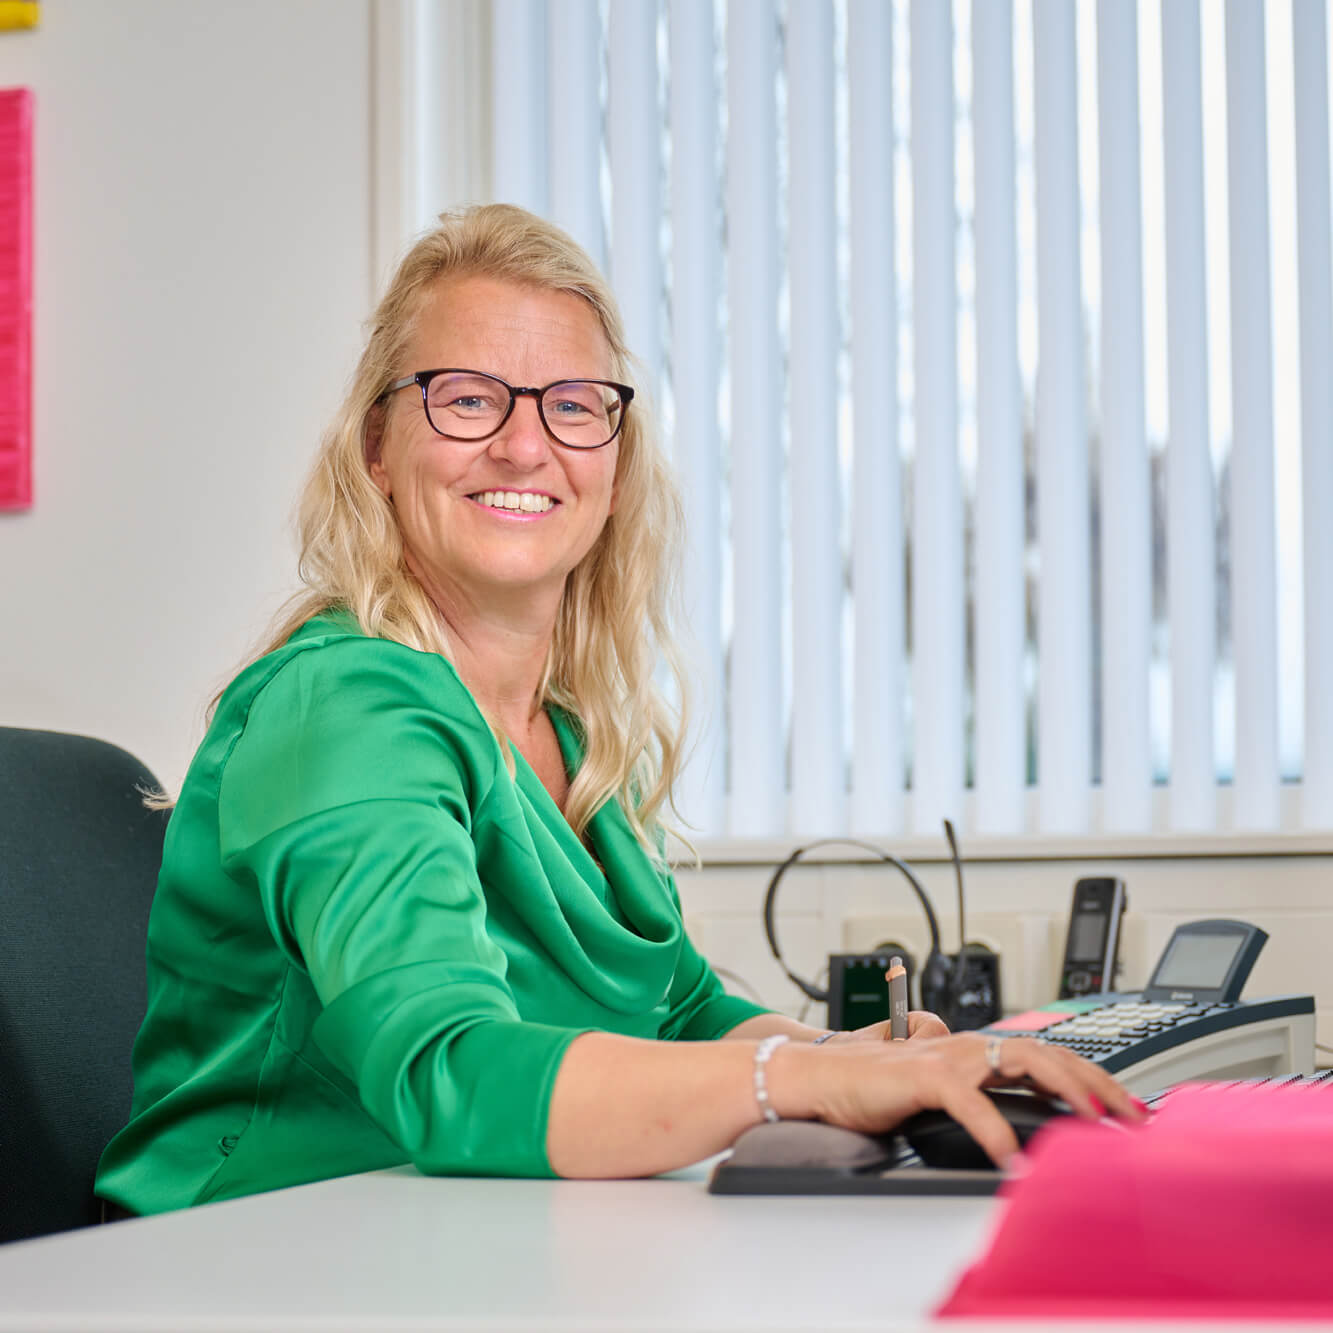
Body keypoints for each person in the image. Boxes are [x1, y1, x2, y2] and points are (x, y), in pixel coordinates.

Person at [96, 204, 1143, 1216]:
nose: (524, 445)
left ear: (613, 456)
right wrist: (802, 1082)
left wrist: (863, 1062)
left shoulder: (573, 732)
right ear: (377, 444)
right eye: (467, 398)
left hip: (472, 1242)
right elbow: (445, 1069)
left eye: (572, 404)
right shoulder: (342, 704)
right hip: (254, 1247)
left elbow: (681, 1012)